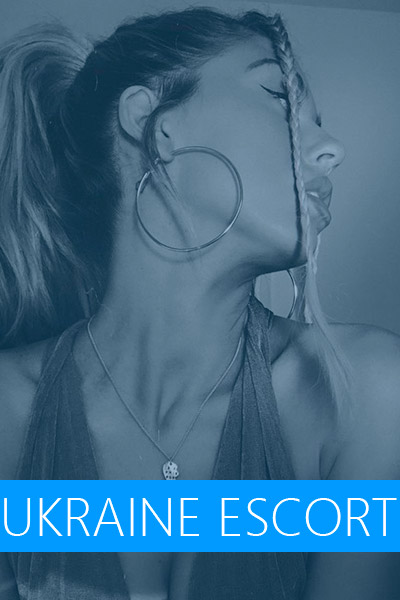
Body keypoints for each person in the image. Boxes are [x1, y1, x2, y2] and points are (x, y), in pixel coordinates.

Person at [0, 6, 399, 600]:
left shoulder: (361, 394)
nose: (331, 148)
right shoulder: (9, 411)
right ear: (155, 125)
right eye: (279, 98)